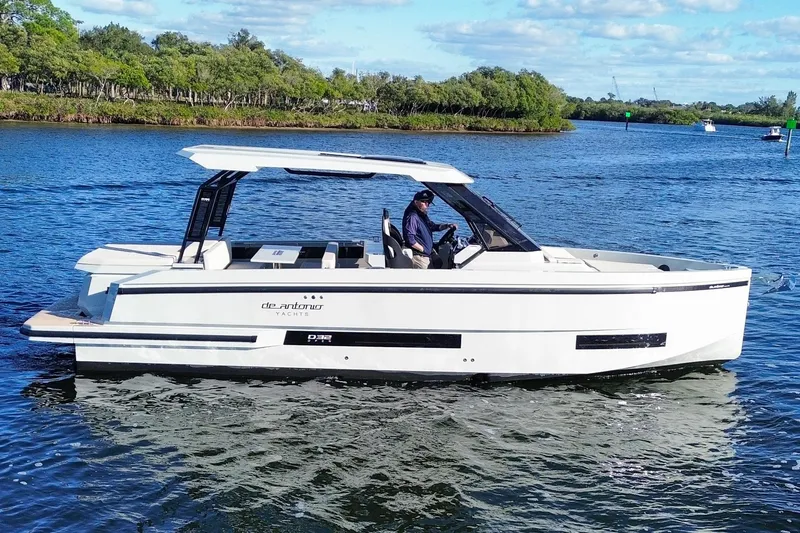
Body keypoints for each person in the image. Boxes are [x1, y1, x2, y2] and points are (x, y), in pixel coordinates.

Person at [402, 190, 458, 269]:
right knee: (427, 277)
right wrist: (423, 249)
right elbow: (410, 239)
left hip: (428, 253)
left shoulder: (421, 214)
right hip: (420, 256)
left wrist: (447, 226)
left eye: (428, 202)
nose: (427, 204)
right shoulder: (413, 217)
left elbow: (431, 226)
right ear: (416, 202)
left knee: (439, 262)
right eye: (424, 202)